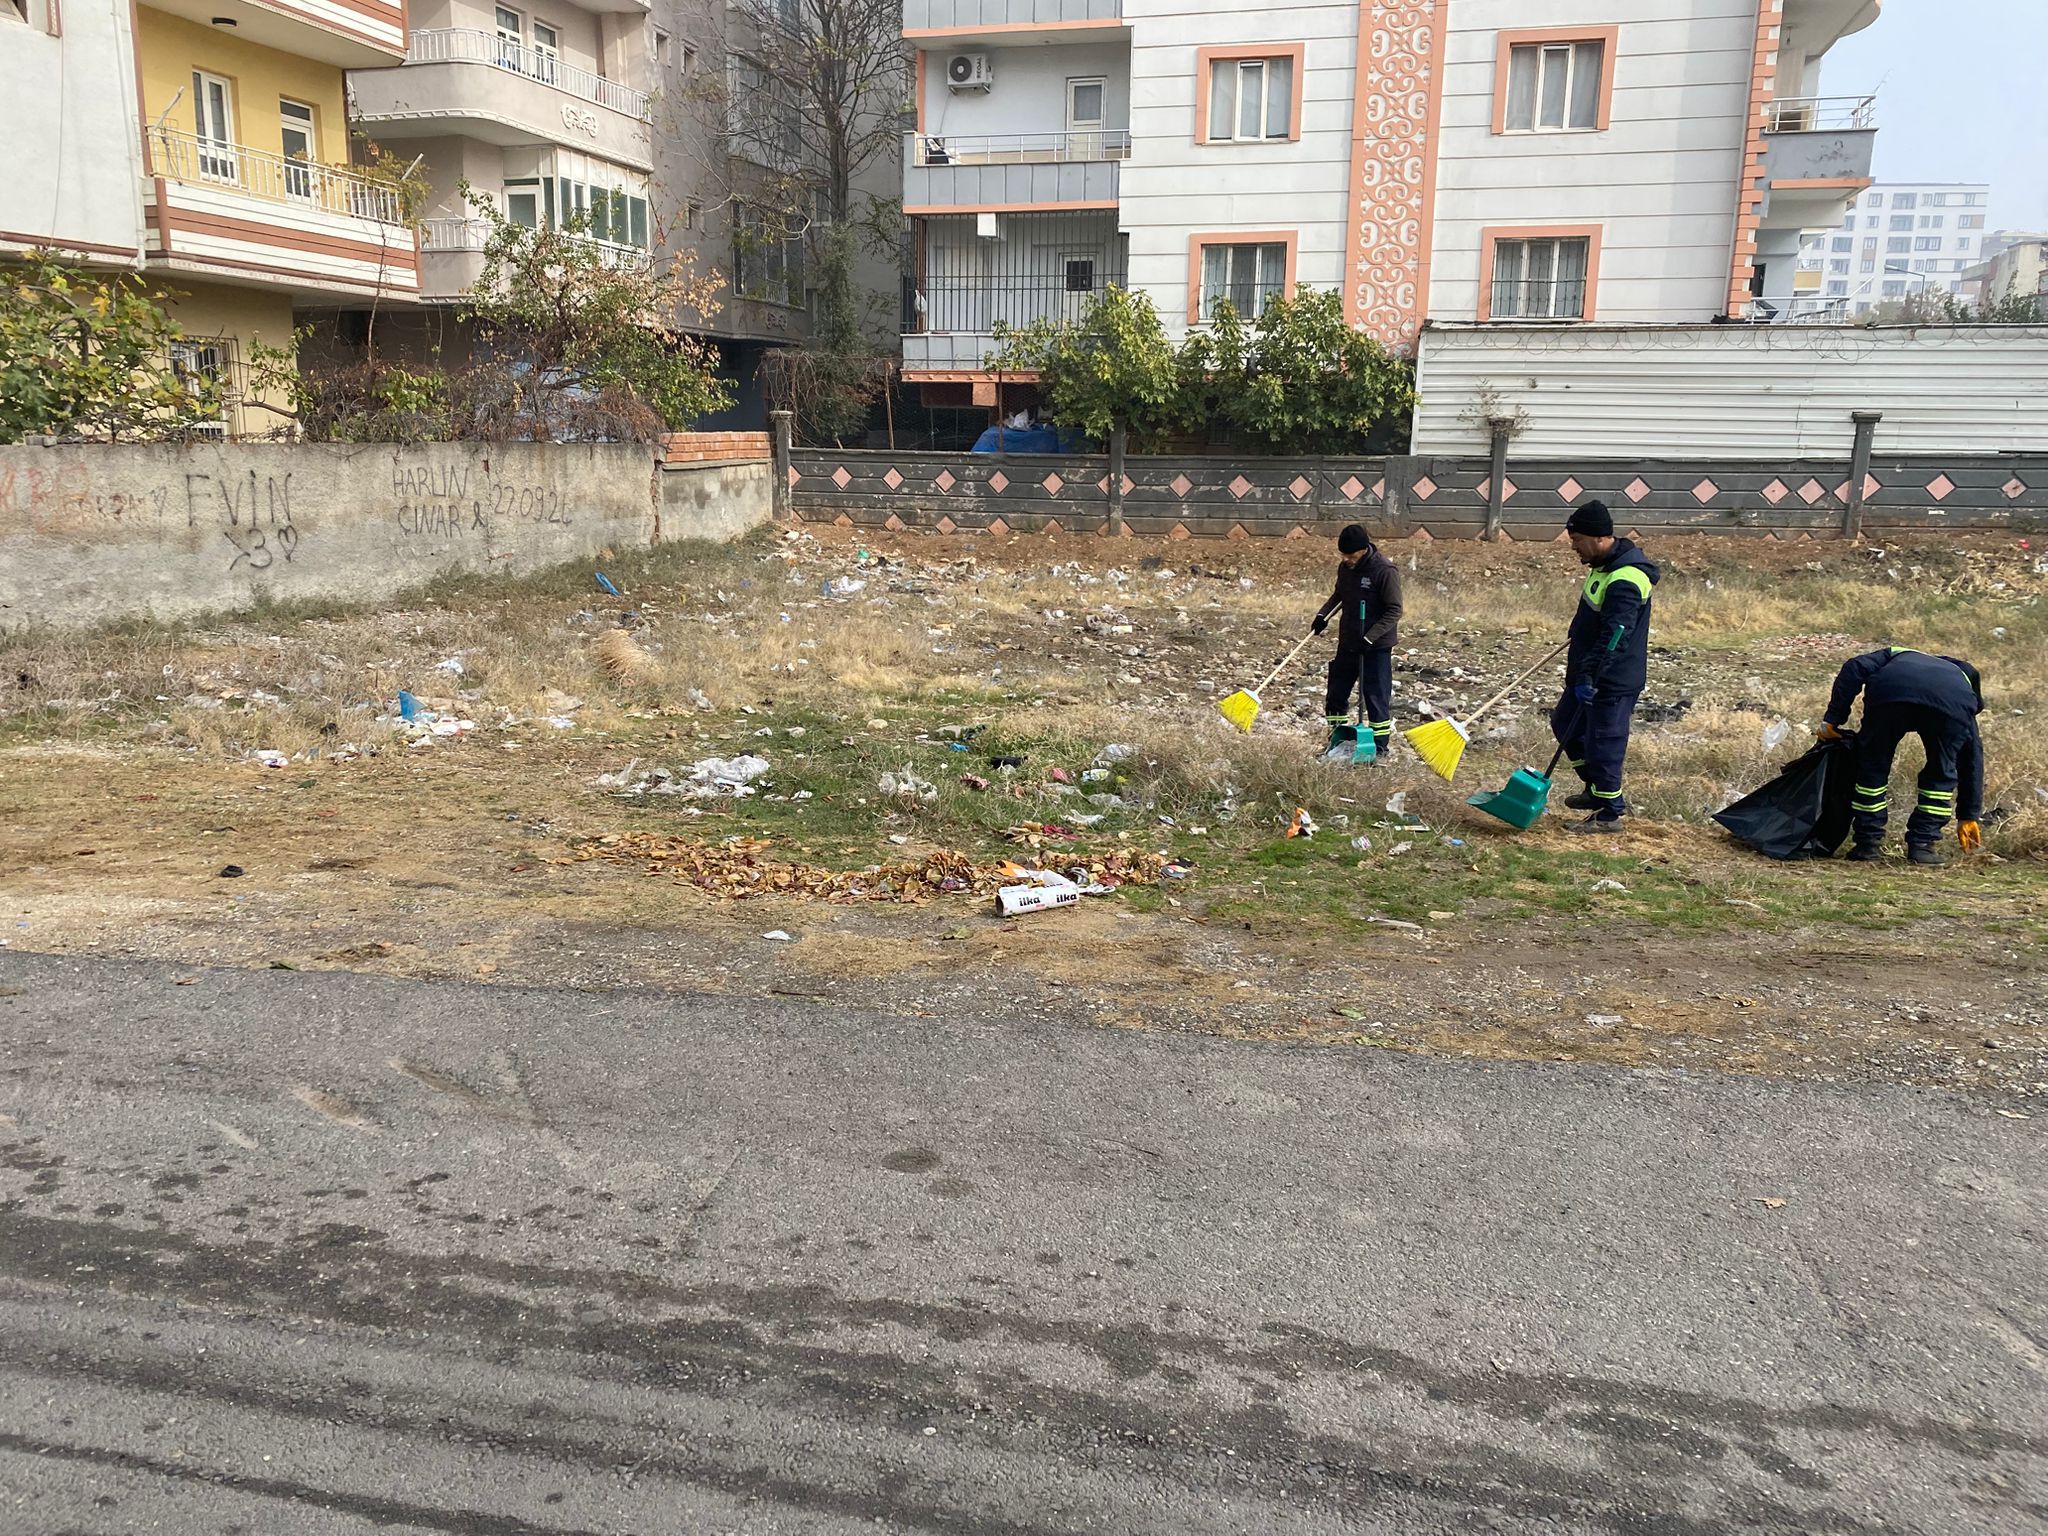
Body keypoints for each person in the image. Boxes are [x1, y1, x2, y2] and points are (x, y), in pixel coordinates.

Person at [1819, 647, 1984, 866]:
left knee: (1872, 767)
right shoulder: (1962, 677)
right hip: (1950, 705)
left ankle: (1868, 845)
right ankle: (1922, 847)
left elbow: (1854, 667)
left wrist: (1833, 718)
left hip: (1890, 694)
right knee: (1942, 770)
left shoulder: (1892, 654)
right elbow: (1971, 760)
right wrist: (1968, 814)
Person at [1552, 500, 1659, 833]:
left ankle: (1609, 812)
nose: (1573, 547)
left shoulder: (1626, 578)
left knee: (1604, 740)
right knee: (1564, 722)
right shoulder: (1604, 567)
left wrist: (1590, 675)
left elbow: (1616, 635)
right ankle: (1594, 788)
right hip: (1587, 670)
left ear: (1599, 538)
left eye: (1577, 540)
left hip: (1610, 679)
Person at [1312, 523, 1403, 758]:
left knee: (1375, 698)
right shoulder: (1346, 569)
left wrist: (1370, 638)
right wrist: (1323, 616)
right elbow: (1339, 595)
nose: (1346, 560)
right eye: (1343, 555)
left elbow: (1394, 610)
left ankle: (1379, 749)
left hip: (1376, 647)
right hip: (1348, 641)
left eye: (1350, 556)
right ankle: (1336, 739)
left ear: (1363, 550)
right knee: (1336, 694)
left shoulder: (1384, 570)